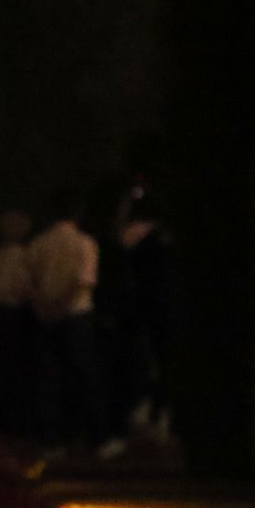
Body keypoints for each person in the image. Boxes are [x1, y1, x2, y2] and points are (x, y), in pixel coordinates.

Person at [26, 193, 102, 457]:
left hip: (46, 315)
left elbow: (32, 281)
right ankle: (86, 436)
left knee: (50, 378)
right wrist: (61, 307)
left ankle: (53, 438)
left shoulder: (39, 243)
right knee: (82, 377)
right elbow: (81, 281)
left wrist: (45, 308)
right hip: (76, 315)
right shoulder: (85, 243)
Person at [109, 184, 172, 453]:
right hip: (156, 308)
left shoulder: (125, 238)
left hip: (131, 310)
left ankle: (140, 413)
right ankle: (155, 415)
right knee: (158, 362)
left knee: (136, 363)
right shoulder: (160, 238)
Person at [0, 209, 36, 441]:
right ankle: (15, 423)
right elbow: (24, 288)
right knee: (16, 372)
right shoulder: (23, 256)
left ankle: (0, 421)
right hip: (15, 315)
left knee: (1, 370)